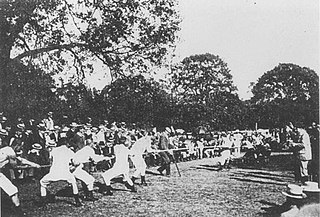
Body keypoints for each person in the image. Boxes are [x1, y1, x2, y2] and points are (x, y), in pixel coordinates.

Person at [39, 138, 82, 207]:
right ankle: (77, 201)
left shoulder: (53, 150)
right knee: (74, 183)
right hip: (65, 172)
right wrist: (76, 164)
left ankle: (43, 202)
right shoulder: (69, 151)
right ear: (66, 143)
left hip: (54, 172)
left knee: (42, 182)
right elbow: (75, 162)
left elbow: (50, 160)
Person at [0, 146, 40, 216]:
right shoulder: (9, 152)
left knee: (13, 190)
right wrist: (26, 167)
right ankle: (19, 213)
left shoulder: (6, 151)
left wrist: (34, 164)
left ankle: (19, 212)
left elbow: (20, 160)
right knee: (13, 191)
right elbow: (15, 166)